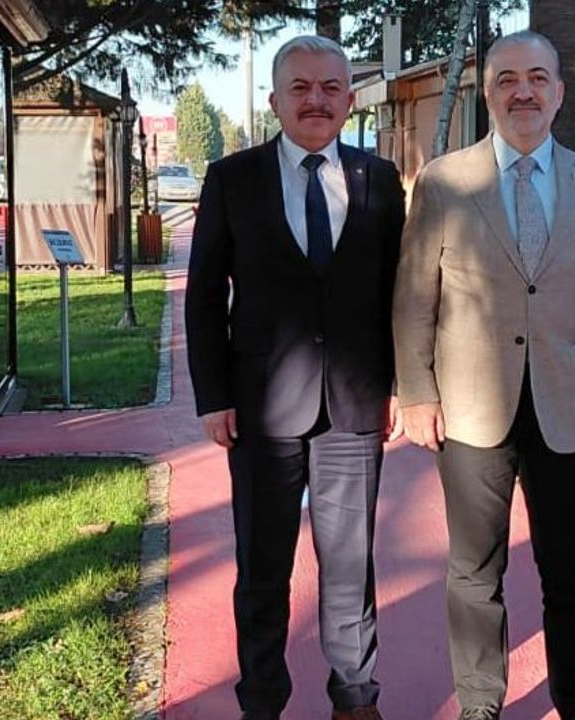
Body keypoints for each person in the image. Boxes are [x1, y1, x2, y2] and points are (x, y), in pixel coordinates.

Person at [392, 30, 575, 720]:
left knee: (570, 571)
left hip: (569, 409)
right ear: (488, 94)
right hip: (470, 411)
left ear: (560, 93)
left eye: (537, 78)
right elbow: (414, 299)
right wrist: (415, 392)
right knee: (475, 572)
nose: (523, 92)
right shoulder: (445, 182)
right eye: (506, 79)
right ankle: (481, 703)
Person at [185, 34, 404, 720]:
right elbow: (203, 295)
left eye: (330, 88)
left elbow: (397, 293)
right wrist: (213, 396)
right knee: (262, 570)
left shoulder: (379, 179)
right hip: (260, 409)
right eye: (301, 88)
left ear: (349, 99)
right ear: (275, 100)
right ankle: (261, 701)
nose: (316, 100)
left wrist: (400, 385)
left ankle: (355, 698)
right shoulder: (232, 178)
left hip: (354, 408)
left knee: (350, 568)